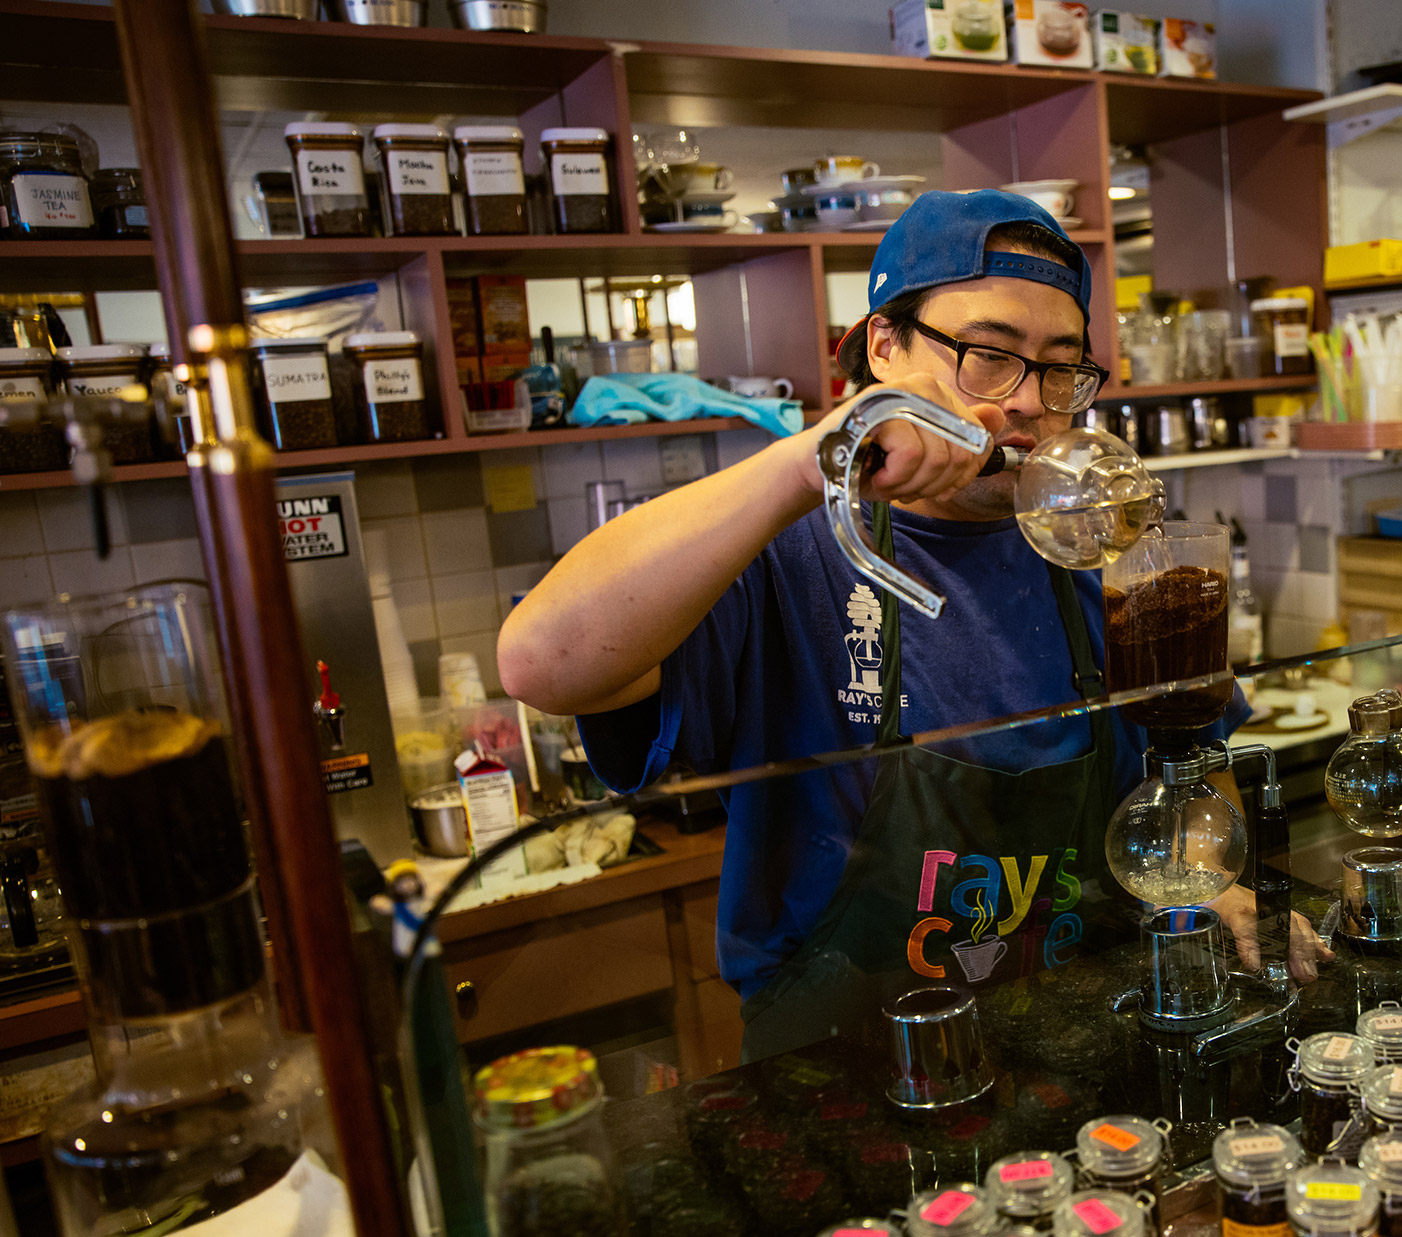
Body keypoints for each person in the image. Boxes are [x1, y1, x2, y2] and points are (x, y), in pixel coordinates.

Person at [500, 190, 1326, 1057]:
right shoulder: (787, 555)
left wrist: (1204, 883)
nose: (1026, 404)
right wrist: (815, 456)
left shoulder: (1097, 548)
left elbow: (1192, 768)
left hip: (1073, 1051)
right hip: (841, 1078)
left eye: (1059, 368)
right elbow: (540, 661)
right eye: (987, 355)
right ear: (883, 348)